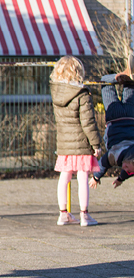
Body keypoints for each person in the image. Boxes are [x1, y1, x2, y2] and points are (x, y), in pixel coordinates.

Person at [49, 56, 102, 227]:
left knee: (64, 177)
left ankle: (63, 214)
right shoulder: (82, 94)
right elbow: (88, 122)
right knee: (82, 176)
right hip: (81, 143)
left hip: (64, 143)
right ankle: (84, 215)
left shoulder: (56, 94)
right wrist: (96, 144)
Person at [90, 52, 134, 193]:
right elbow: (102, 164)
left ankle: (128, 75)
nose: (124, 169)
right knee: (105, 82)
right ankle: (116, 77)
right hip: (114, 117)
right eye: (126, 167)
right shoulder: (114, 156)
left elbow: (129, 172)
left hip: (131, 115)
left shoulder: (129, 162)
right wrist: (96, 177)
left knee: (130, 85)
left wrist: (121, 179)